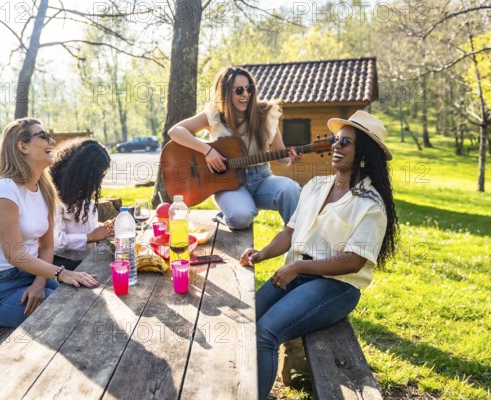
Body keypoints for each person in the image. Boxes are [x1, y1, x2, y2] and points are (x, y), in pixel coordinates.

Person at [239, 110, 399, 400]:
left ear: (363, 153)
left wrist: (298, 266)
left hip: (335, 286)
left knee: (265, 333)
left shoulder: (371, 205)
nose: (335, 146)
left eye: (345, 143)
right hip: (298, 275)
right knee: (245, 323)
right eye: (336, 140)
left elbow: (353, 261)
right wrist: (262, 254)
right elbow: (290, 233)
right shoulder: (315, 186)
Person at [0, 118, 99, 328]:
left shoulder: (44, 189)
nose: (52, 142)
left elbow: (47, 245)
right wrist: (62, 273)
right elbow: (14, 254)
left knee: (89, 302)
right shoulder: (5, 189)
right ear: (22, 146)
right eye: (43, 136)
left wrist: (40, 282)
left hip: (36, 275)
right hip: (2, 289)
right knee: (71, 319)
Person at [168, 66, 301, 230]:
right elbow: (175, 131)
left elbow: (281, 155)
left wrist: (291, 157)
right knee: (240, 217)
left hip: (262, 179)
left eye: (249, 88)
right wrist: (207, 151)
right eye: (239, 90)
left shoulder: (265, 114)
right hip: (227, 183)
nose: (245, 94)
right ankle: (228, 214)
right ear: (225, 94)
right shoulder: (213, 115)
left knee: (291, 189)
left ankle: (300, 246)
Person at [50, 138, 114, 271]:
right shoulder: (55, 197)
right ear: (82, 173)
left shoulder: (82, 191)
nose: (99, 181)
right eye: (97, 175)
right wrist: (90, 237)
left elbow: (81, 226)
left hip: (85, 259)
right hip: (64, 265)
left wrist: (103, 229)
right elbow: (55, 242)